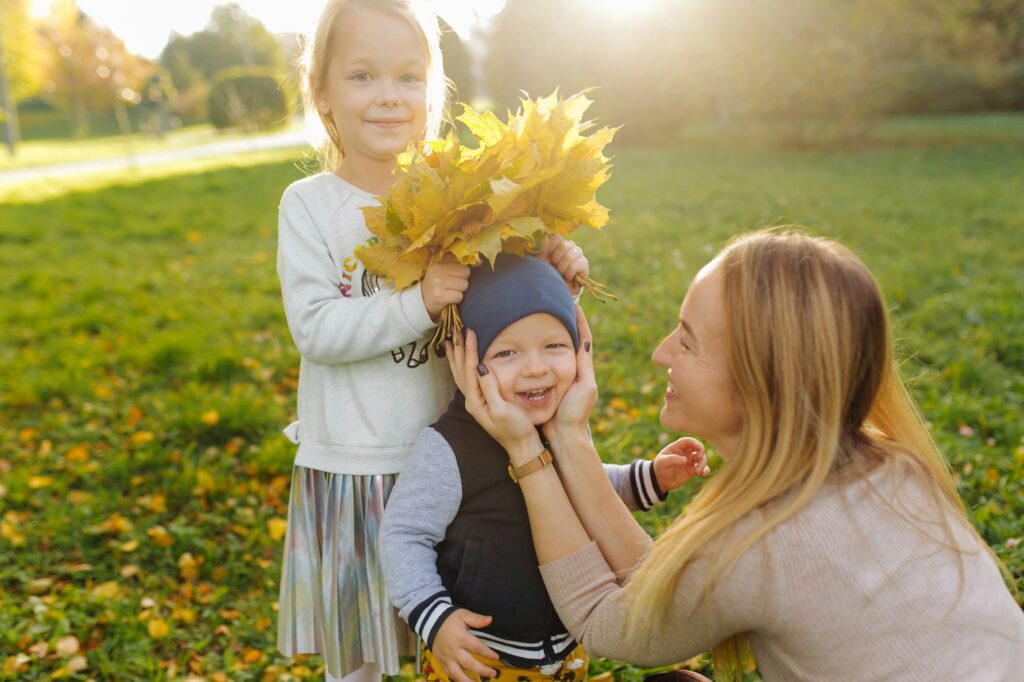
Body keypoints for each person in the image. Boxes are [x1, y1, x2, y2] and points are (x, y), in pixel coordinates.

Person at [448, 230, 1024, 681]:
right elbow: (662, 587)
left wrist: (527, 448)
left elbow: (607, 622)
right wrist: (571, 439)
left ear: (759, 382)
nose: (660, 353)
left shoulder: (765, 539)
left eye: (688, 342)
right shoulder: (896, 468)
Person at [274, 2, 589, 680]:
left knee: (456, 637)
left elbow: (509, 311)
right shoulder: (309, 205)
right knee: (360, 654)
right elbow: (317, 329)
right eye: (362, 76)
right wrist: (417, 301)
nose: (389, 95)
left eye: (409, 77)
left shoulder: (459, 198)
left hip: (459, 461)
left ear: (432, 91)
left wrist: (554, 270)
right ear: (323, 94)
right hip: (355, 467)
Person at [379, 254, 710, 682]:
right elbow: (405, 534)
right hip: (482, 659)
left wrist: (644, 478)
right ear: (464, 358)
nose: (536, 368)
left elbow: (582, 493)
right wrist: (434, 616)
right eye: (507, 352)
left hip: (564, 655)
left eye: (554, 346)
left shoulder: (557, 425)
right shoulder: (450, 446)